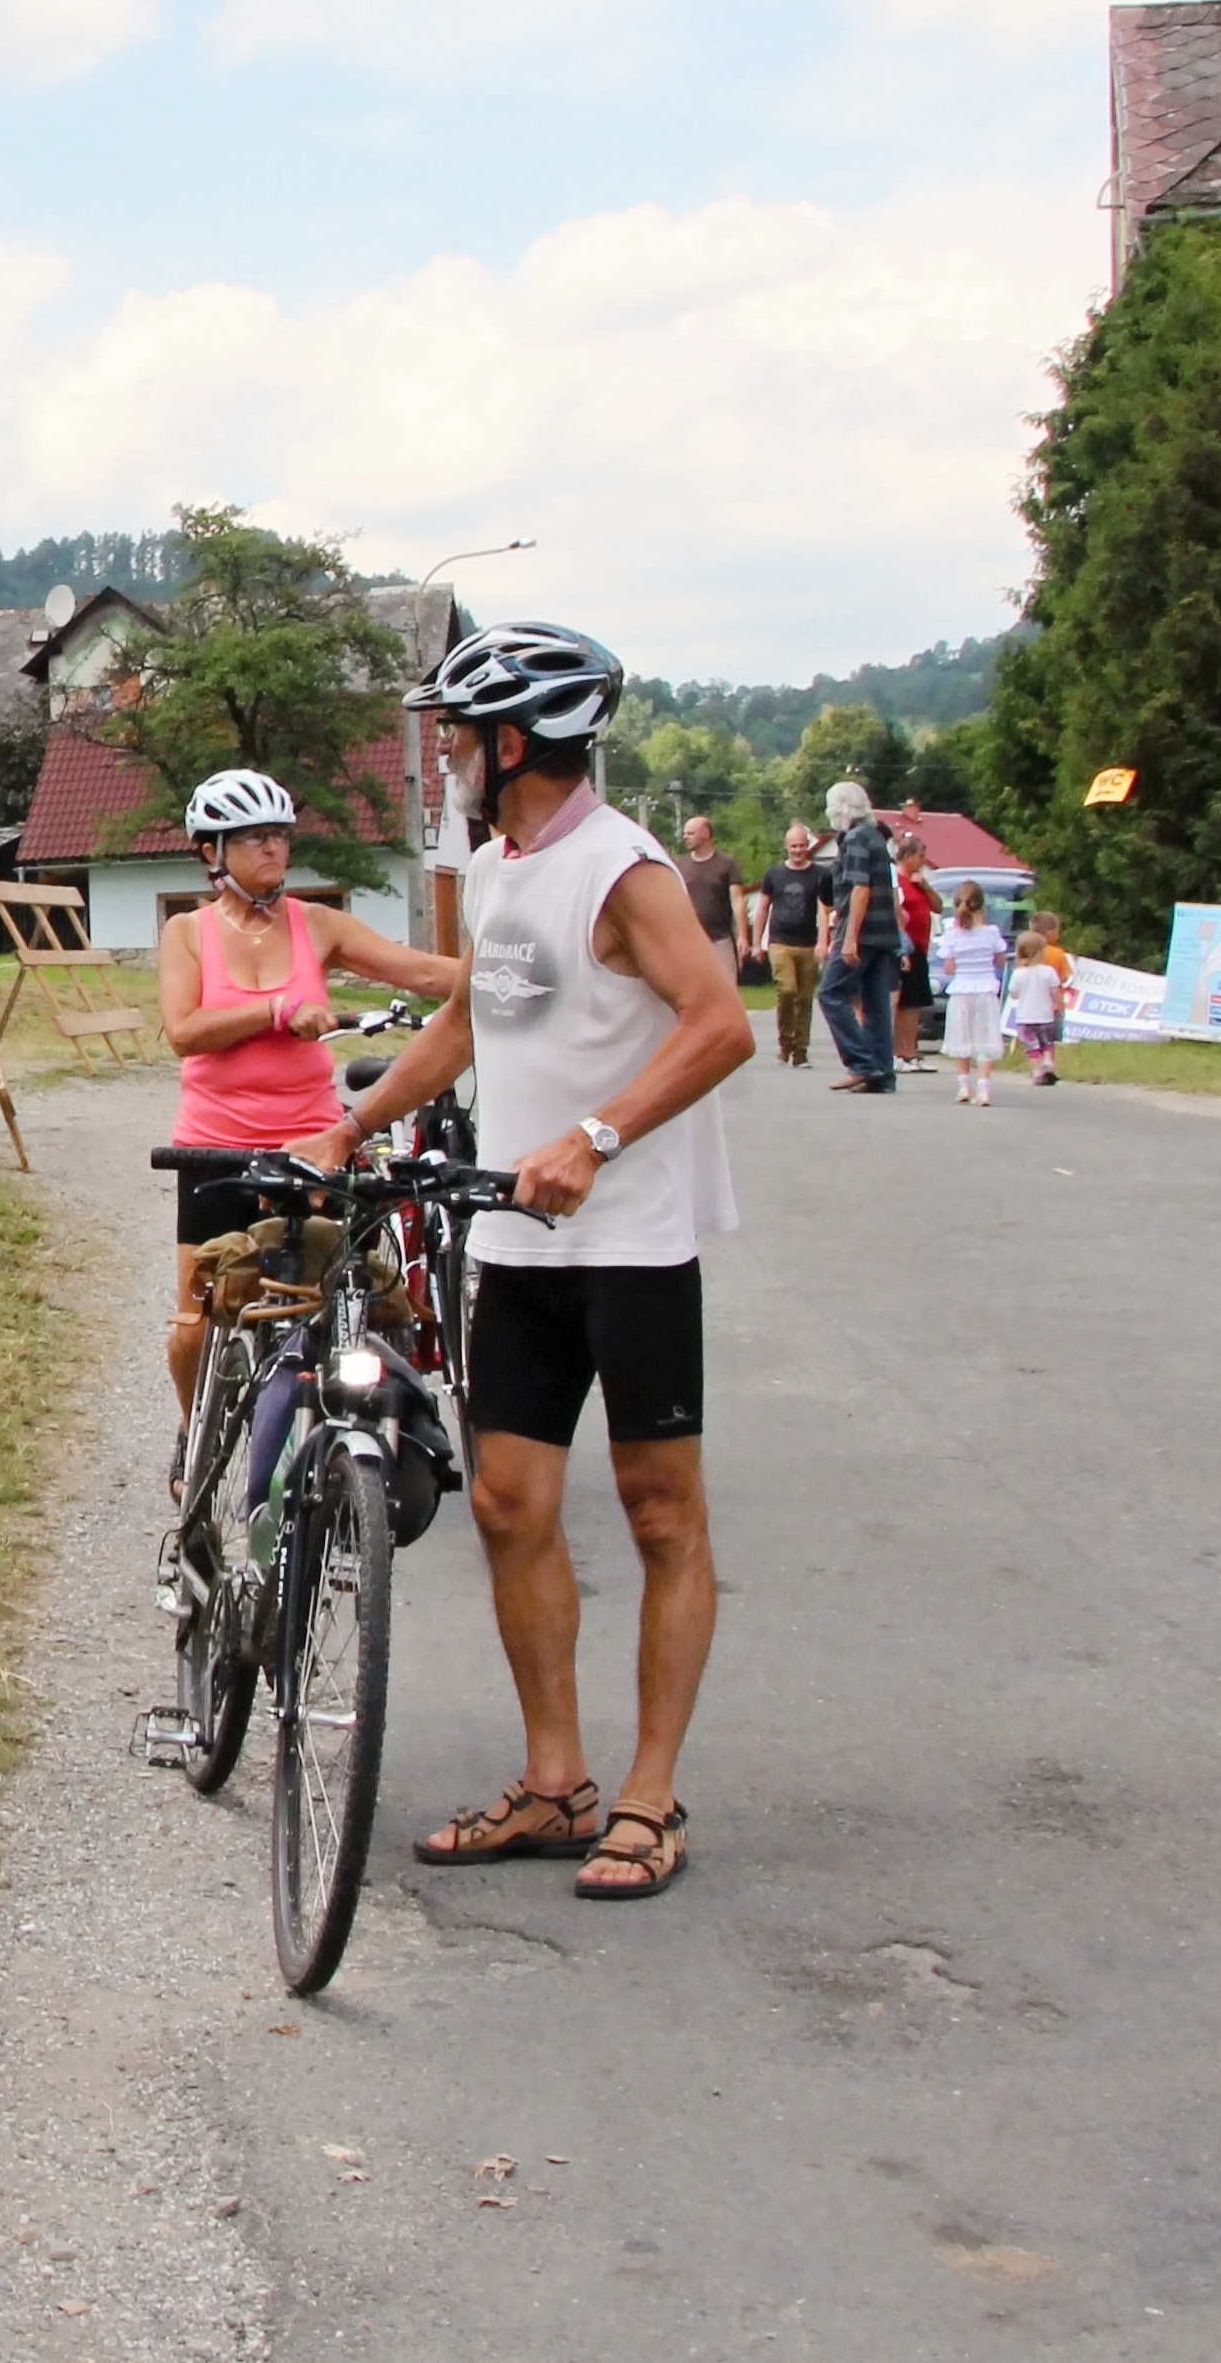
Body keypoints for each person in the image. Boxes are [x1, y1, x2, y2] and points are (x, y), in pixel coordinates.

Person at [308, 619, 749, 1904]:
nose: (441, 754)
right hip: (518, 1239)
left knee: (664, 1510)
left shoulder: (625, 871)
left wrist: (599, 1138)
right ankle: (555, 1783)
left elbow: (720, 1025)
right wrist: (353, 1121)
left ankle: (650, 1797)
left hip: (634, 1239)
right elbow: (469, 1024)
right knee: (510, 1504)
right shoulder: (499, 870)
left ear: (515, 742)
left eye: (456, 732)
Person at [154, 769, 460, 1424]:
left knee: (351, 1308)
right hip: (216, 1149)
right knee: (194, 1323)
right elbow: (183, 1031)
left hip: (314, 1146)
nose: (273, 849)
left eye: (281, 836)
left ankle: (334, 1468)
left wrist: (511, 975)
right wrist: (277, 1009)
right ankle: (193, 1430)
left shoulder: (317, 925)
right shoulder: (188, 933)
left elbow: (427, 972)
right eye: (254, 837)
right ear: (212, 850)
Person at [817, 780, 900, 1093]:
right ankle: (882, 1072)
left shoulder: (854, 839)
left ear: (840, 808)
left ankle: (860, 1062)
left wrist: (849, 937)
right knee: (876, 1002)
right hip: (884, 932)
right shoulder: (876, 836)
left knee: (830, 992)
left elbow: (860, 887)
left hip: (862, 932)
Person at [755, 826, 831, 1070]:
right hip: (780, 942)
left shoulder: (820, 875)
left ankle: (800, 1050)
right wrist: (757, 942)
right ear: (786, 846)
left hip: (808, 943)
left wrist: (823, 942)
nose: (798, 850)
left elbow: (824, 910)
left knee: (805, 998)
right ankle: (784, 1042)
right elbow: (763, 908)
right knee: (787, 990)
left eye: (801, 845)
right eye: (793, 846)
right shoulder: (775, 874)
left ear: (807, 845)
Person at [931, 881, 1012, 1106]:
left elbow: (949, 968)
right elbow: (1001, 960)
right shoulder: (991, 933)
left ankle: (964, 1086)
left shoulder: (952, 935)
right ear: (982, 906)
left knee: (962, 1037)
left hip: (961, 989)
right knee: (985, 1038)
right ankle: (984, 1088)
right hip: (985, 988)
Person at [673, 815, 740, 984]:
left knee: (727, 990)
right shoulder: (680, 865)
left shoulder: (727, 864)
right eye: (685, 834)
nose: (685, 837)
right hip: (690, 940)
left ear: (705, 833)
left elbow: (737, 901)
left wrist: (743, 937)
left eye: (690, 833)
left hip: (720, 939)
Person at [893, 833, 940, 1070]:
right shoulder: (897, 882)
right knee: (904, 1002)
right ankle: (901, 1051)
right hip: (905, 947)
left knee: (915, 1003)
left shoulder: (918, 883)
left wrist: (925, 886)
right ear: (908, 856)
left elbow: (938, 906)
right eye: (920, 856)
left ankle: (910, 1049)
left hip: (921, 946)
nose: (923, 860)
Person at [1008, 924, 1067, 1088]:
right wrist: (1061, 1006)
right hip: (1046, 1015)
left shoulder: (1018, 973)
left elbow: (1014, 993)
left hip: (1025, 1017)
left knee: (1032, 1046)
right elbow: (1056, 992)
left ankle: (1038, 1070)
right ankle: (1048, 1060)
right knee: (1046, 1042)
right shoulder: (1049, 971)